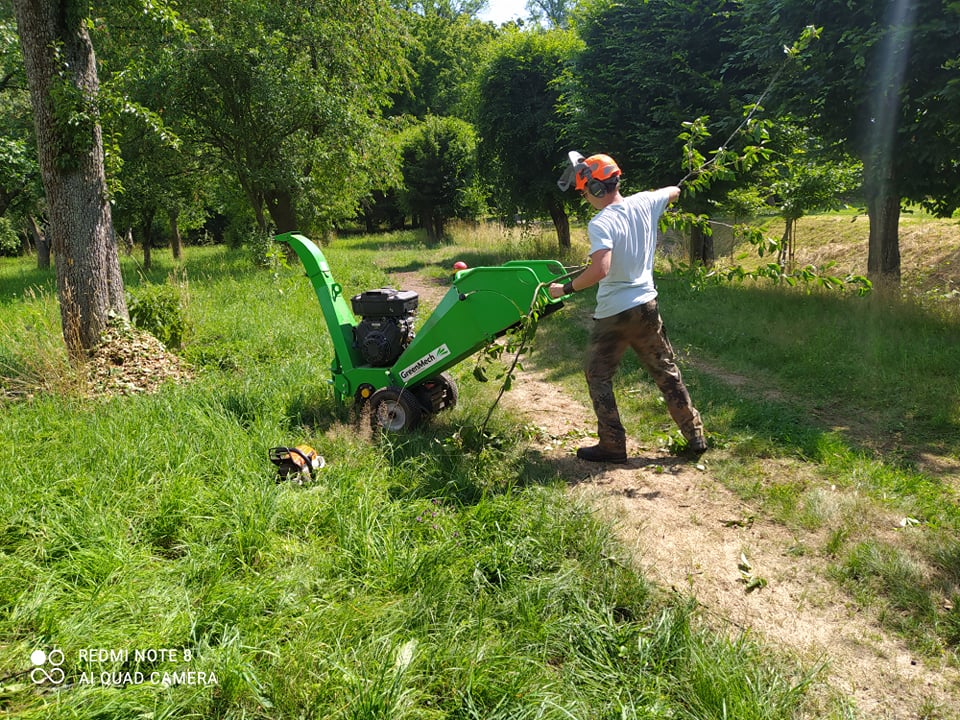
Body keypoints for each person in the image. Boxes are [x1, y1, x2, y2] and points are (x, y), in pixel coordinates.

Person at [550, 151, 706, 462]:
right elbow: (673, 192)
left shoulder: (601, 222)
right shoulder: (645, 202)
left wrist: (564, 289)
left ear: (595, 188)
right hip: (647, 307)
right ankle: (695, 435)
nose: (585, 198)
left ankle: (612, 444)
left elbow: (600, 270)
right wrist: (672, 191)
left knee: (598, 375)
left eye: (585, 192)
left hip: (615, 314)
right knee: (666, 372)